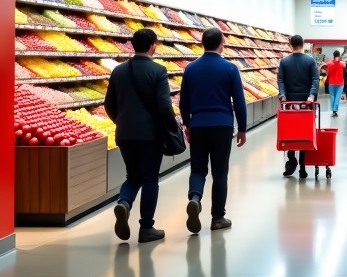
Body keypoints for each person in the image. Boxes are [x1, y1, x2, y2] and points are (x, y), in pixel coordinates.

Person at [105, 27, 176, 242]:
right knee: (150, 178)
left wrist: (121, 121)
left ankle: (124, 203)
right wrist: (172, 127)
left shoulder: (118, 70)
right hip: (150, 134)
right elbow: (164, 106)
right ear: (153, 45)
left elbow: (108, 103)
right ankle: (146, 228)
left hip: (125, 133)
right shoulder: (158, 71)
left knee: (132, 175)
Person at [179, 27, 248, 234]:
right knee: (220, 172)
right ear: (221, 44)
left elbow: (184, 102)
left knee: (198, 169)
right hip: (222, 125)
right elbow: (239, 101)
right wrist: (242, 128)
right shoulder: (230, 68)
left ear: (202, 43)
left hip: (198, 124)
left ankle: (195, 198)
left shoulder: (190, 68)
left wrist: (187, 124)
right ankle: (218, 217)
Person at [277, 34, 319, 179]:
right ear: (303, 44)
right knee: (304, 133)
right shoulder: (310, 61)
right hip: (305, 103)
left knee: (290, 131)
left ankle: (291, 158)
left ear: (290, 45)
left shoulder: (284, 61)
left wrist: (283, 96)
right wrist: (311, 95)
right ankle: (302, 166)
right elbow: (315, 79)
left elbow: (280, 80)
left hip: (289, 102)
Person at [324, 49, 345, 116]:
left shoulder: (329, 63)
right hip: (340, 83)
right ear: (339, 55)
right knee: (337, 97)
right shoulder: (342, 63)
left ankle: (333, 110)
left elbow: (325, 70)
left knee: (332, 97)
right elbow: (344, 67)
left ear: (333, 55)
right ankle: (335, 111)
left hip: (331, 83)